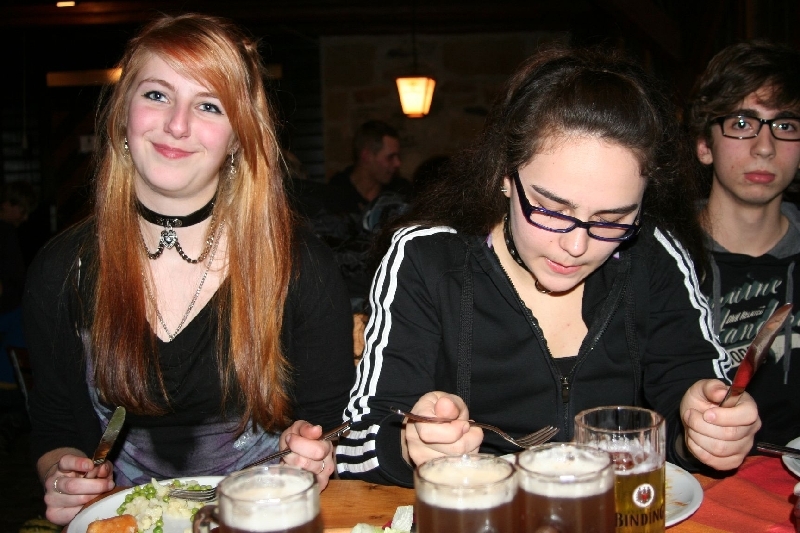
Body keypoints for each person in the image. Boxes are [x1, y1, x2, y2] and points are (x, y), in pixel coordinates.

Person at [336, 45, 761, 487]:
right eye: (552, 210)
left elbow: (687, 391)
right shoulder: (427, 258)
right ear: (505, 174)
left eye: (612, 220)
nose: (576, 246)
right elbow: (354, 440)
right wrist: (407, 445)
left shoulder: (654, 254)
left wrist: (704, 429)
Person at [23, 13, 355, 525]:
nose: (177, 125)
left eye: (208, 105)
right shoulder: (63, 267)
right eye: (157, 95)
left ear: (239, 137)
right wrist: (61, 476)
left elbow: (329, 424)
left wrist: (314, 451)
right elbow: (55, 427)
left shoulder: (301, 266)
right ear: (123, 114)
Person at [687, 40, 800, 450]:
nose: (764, 147)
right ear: (705, 146)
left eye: (785, 126)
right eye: (741, 123)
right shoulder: (656, 259)